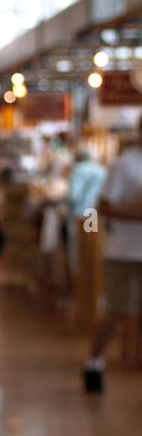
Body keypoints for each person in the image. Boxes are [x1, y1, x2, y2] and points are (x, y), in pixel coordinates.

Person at [82, 124, 142, 393]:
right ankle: (94, 362)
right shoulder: (126, 164)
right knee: (118, 313)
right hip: (125, 252)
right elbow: (103, 207)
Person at [64, 145, 107, 278]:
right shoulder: (101, 170)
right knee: (91, 244)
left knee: (77, 246)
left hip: (79, 213)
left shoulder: (77, 170)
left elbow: (73, 195)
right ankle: (91, 277)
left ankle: (78, 277)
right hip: (93, 213)